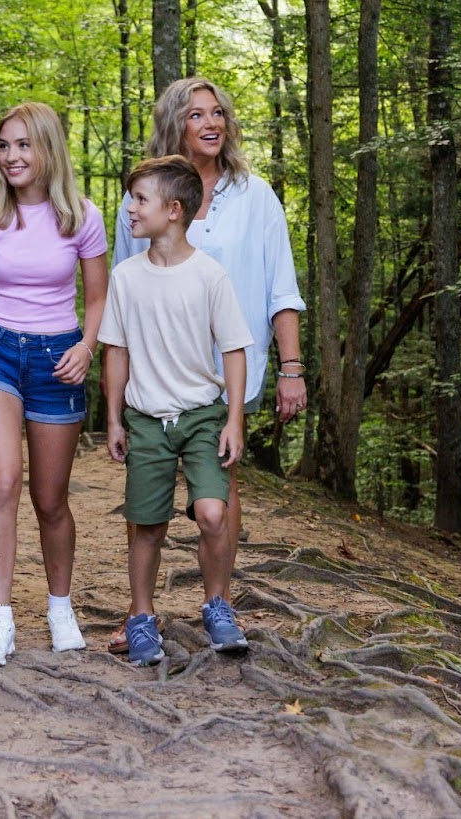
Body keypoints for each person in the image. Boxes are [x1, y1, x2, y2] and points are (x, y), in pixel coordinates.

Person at [108, 77, 307, 651]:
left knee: (217, 491)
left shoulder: (256, 195)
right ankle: (137, 611)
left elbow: (281, 290)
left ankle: (218, 603)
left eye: (218, 112)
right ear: (176, 124)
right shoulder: (144, 195)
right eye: (196, 114)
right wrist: (118, 403)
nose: (211, 122)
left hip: (228, 371)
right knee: (145, 500)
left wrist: (292, 369)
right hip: (155, 375)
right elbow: (127, 288)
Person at [0, 103, 108, 664]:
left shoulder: (82, 217)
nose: (11, 156)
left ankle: (59, 607)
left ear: (48, 151)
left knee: (50, 499)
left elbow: (99, 298)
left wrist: (86, 347)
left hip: (57, 359)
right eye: (3, 145)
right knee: (2, 481)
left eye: (23, 145)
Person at [99, 156, 255, 666]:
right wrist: (115, 417)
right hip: (147, 420)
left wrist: (233, 418)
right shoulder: (125, 277)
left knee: (213, 512)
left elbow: (234, 349)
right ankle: (142, 616)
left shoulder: (209, 275)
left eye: (140, 200)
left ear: (174, 209)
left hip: (203, 416)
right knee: (147, 524)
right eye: (130, 199)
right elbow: (116, 350)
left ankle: (217, 605)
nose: (130, 209)